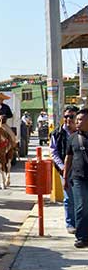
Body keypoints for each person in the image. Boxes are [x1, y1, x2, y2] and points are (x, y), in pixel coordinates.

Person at [50, 105, 79, 233]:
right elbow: (54, 152)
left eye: (71, 116)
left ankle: (81, 223)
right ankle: (70, 224)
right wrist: (62, 168)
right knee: (69, 198)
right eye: (66, 116)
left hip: (81, 170)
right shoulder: (57, 133)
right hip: (65, 170)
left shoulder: (82, 132)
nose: (68, 119)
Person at [63, 108, 88, 248]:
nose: (77, 122)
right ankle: (82, 237)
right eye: (76, 119)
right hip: (78, 178)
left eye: (80, 119)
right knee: (81, 206)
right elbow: (68, 158)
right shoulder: (72, 138)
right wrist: (65, 177)